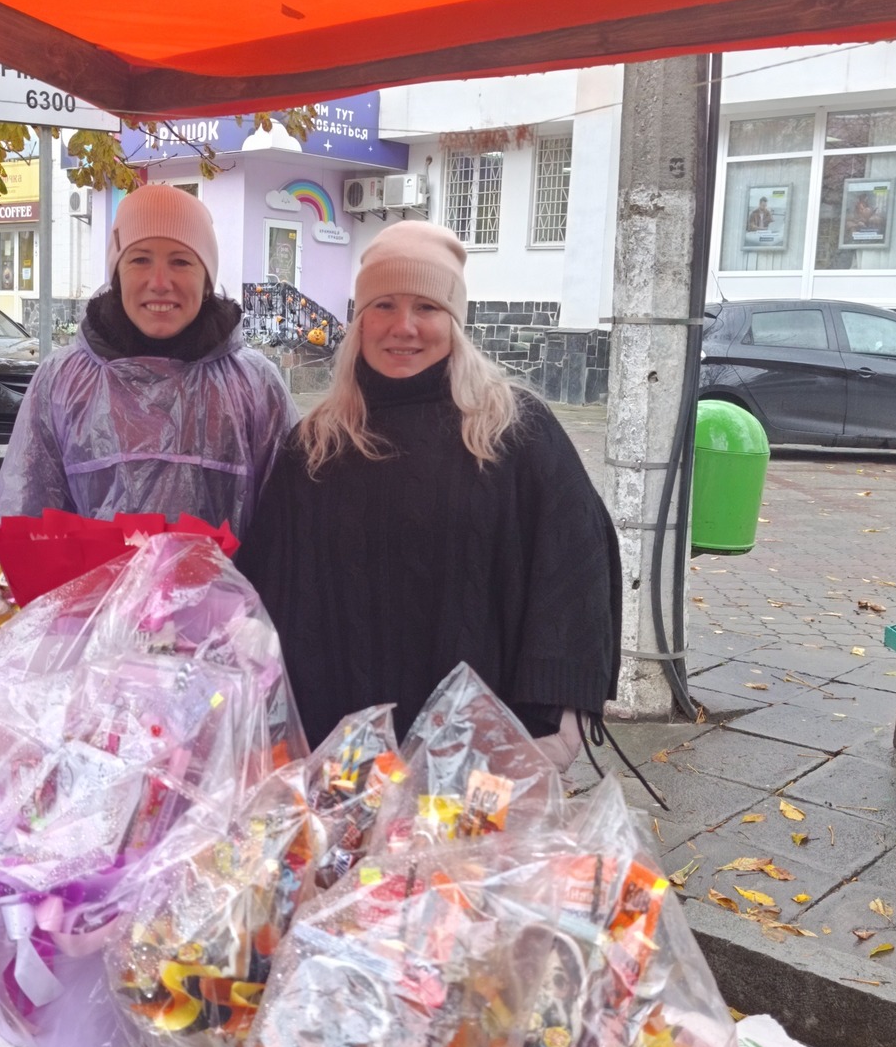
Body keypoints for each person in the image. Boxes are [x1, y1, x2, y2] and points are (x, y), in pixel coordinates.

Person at [236, 223, 622, 764]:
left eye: (426, 307)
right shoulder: (316, 446)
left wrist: (557, 721)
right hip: (340, 753)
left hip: (480, 756)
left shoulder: (515, 430)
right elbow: (269, 592)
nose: (404, 326)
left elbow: (575, 566)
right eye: (384, 305)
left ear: (454, 322)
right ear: (360, 321)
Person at [0, 185, 296, 535]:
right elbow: (25, 520)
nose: (160, 282)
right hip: (94, 576)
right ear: (117, 276)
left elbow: (290, 526)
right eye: (140, 259)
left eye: (181, 261)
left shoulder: (254, 386)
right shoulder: (63, 381)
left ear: (207, 280)